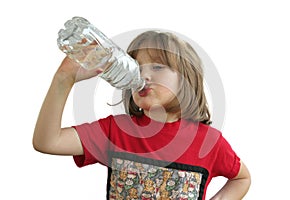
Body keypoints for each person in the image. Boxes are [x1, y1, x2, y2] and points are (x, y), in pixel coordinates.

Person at [33, 30, 251, 199]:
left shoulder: (209, 142)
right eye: (138, 68)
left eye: (157, 67)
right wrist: (63, 80)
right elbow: (48, 142)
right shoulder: (115, 130)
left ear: (186, 78)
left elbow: (241, 178)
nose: (144, 75)